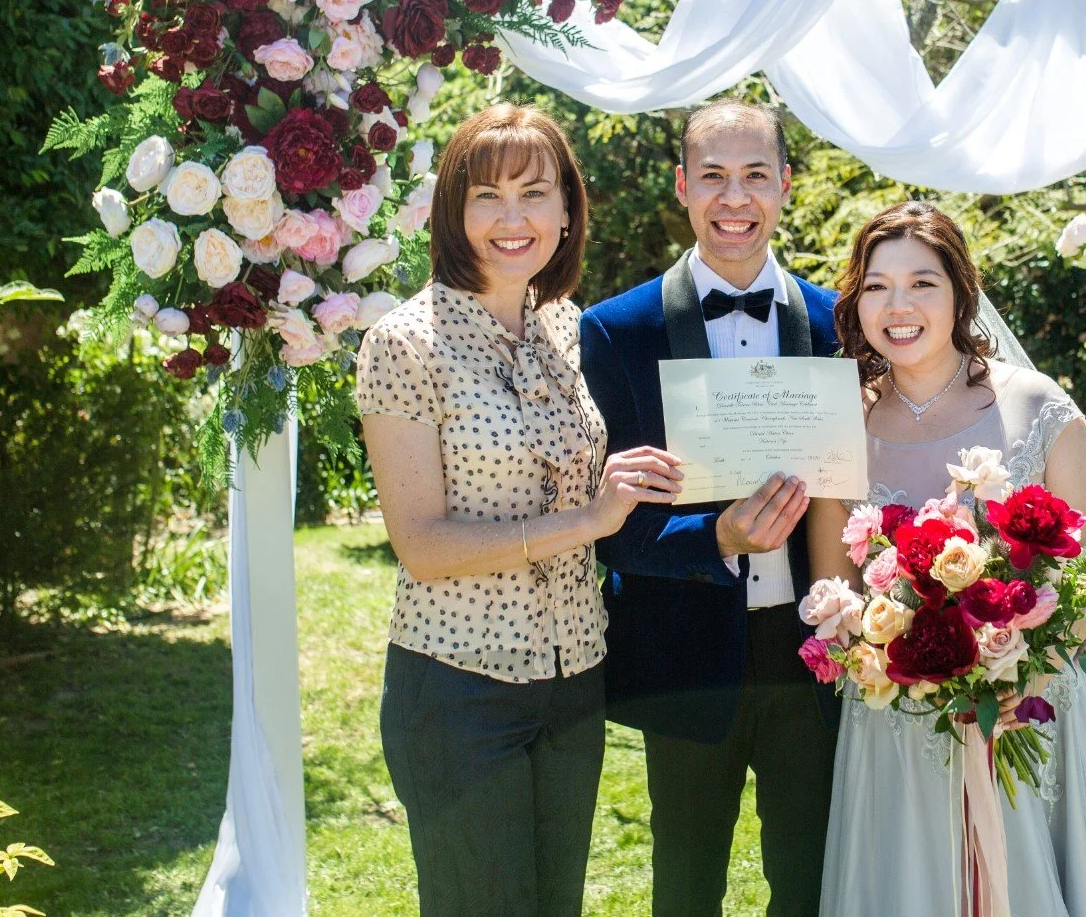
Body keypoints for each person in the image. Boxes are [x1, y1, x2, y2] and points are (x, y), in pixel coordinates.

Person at [355, 103, 677, 916]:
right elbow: (421, 548)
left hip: (575, 681)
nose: (512, 219)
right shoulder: (403, 343)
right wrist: (586, 522)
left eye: (534, 194)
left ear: (567, 210)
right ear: (452, 213)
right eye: (486, 197)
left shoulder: (569, 327)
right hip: (459, 687)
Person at [807, 201, 1086, 917]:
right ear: (856, 300)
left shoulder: (1033, 404)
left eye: (922, 283)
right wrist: (883, 660)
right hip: (895, 717)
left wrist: (1020, 666)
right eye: (877, 286)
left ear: (959, 293)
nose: (899, 304)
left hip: (1026, 707)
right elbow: (833, 588)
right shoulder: (838, 422)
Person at [579, 98, 840, 917]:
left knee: (809, 872)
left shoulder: (840, 322)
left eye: (755, 176)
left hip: (811, 652)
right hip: (683, 648)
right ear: (683, 186)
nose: (735, 199)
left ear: (786, 186)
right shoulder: (617, 329)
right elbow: (611, 530)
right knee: (686, 878)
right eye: (715, 177)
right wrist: (716, 536)